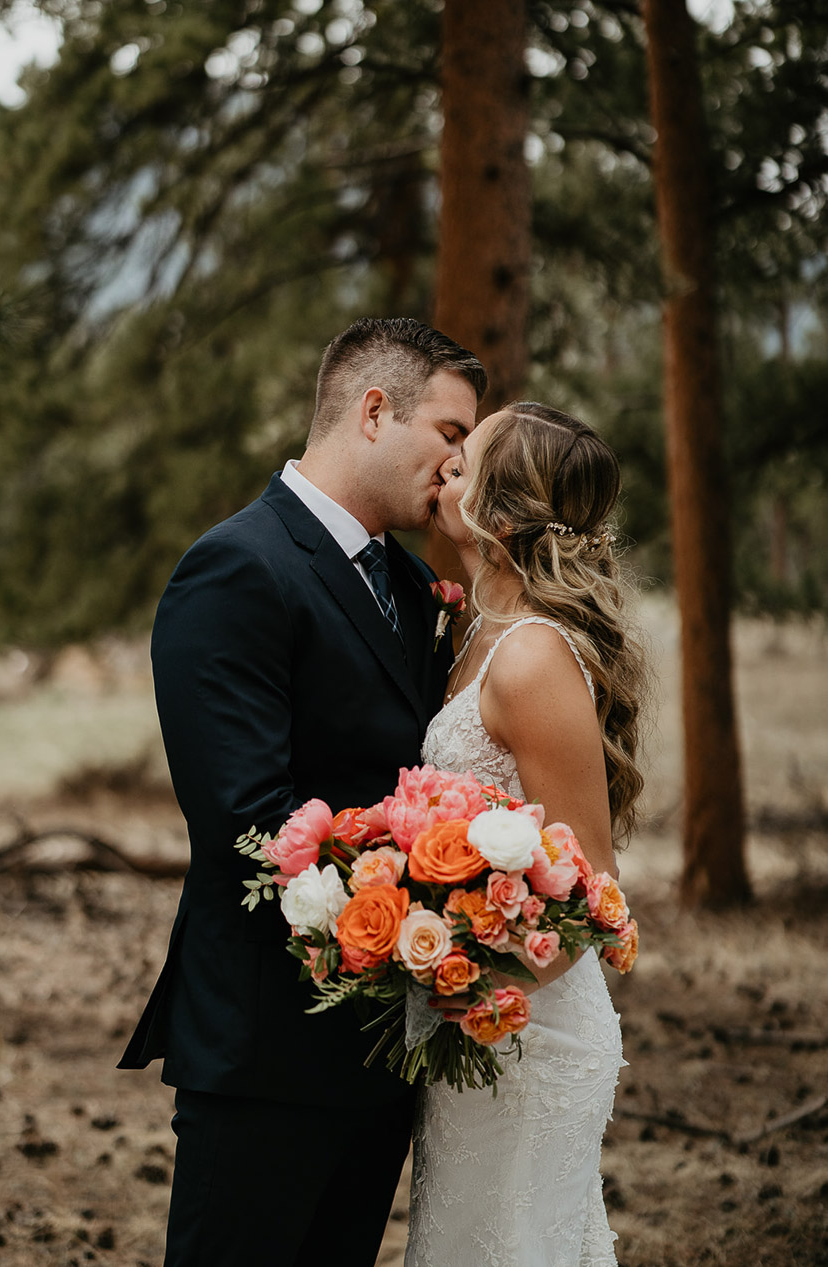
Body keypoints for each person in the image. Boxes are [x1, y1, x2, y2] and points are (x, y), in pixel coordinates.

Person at [117, 317, 487, 1267]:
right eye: (450, 436)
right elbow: (247, 817)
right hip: (265, 1048)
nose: (455, 470)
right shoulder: (237, 567)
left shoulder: (410, 582)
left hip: (380, 1048)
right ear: (374, 410)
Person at [405, 402, 646, 1267]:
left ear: (498, 517)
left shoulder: (532, 656)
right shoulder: (473, 630)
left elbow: (594, 884)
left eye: (461, 460)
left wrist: (473, 980)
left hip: (528, 1033)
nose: (442, 469)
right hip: (474, 1027)